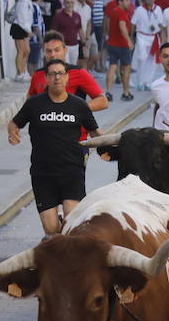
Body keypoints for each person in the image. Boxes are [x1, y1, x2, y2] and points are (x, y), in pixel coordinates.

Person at [9, 60, 102, 237]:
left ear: (67, 78)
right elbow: (14, 123)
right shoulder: (34, 104)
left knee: (70, 226)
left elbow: (95, 132)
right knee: (51, 230)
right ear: (46, 78)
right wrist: (12, 133)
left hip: (72, 172)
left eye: (60, 73)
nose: (57, 77)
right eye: (52, 74)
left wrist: (110, 145)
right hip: (43, 175)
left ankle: (66, 259)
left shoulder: (79, 105)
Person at [27, 32, 109, 115]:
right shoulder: (37, 75)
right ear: (44, 52)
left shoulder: (79, 73)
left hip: (74, 126)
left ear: (65, 50)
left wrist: (75, 109)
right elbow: (29, 103)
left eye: (57, 50)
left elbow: (103, 101)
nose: (53, 55)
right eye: (48, 51)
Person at [132, 0, 166, 91]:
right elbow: (133, 23)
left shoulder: (158, 9)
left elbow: (161, 24)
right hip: (142, 36)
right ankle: (140, 82)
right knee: (142, 58)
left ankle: (148, 82)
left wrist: (163, 38)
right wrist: (131, 37)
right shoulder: (139, 10)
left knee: (152, 61)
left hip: (154, 37)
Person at [104, 0, 134, 101]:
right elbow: (122, 27)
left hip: (112, 43)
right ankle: (125, 92)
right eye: (126, 0)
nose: (129, 3)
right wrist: (129, 41)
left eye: (129, 0)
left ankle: (108, 92)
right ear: (120, 2)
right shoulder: (121, 13)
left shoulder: (113, 11)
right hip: (122, 45)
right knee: (126, 68)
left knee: (112, 66)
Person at [9, 0, 40, 83]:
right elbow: (22, 18)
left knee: (27, 50)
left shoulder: (27, 1)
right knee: (21, 51)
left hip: (25, 28)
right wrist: (29, 30)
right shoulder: (22, 2)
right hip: (19, 27)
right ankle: (20, 73)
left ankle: (23, 70)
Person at [50, 0, 84, 65]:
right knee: (65, 66)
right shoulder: (58, 16)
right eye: (67, 2)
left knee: (73, 66)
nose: (70, 4)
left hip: (75, 45)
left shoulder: (77, 16)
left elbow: (80, 29)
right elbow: (53, 32)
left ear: (74, 3)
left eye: (72, 2)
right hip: (63, 46)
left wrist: (84, 42)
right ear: (64, 3)